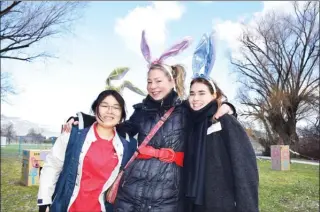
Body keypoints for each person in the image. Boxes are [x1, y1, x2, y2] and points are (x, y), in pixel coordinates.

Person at [63, 30, 236, 212]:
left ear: (171, 82)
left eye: (158, 81)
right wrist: (84, 120)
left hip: (168, 195)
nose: (153, 87)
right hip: (131, 190)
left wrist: (228, 107)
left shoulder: (185, 110)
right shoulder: (141, 111)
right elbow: (118, 127)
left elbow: (207, 110)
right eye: (149, 82)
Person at [184, 32, 259, 212]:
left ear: (214, 95)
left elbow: (244, 169)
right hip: (191, 202)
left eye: (202, 93)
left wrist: (246, 207)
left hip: (220, 203)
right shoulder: (188, 121)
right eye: (192, 93)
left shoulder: (224, 121)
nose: (195, 98)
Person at [37, 90, 137, 212]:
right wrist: (44, 202)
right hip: (66, 207)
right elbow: (52, 166)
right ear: (95, 109)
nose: (110, 111)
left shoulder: (127, 147)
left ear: (122, 115)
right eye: (104, 106)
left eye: (116, 108)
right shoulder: (73, 135)